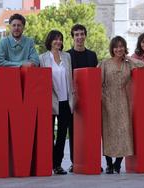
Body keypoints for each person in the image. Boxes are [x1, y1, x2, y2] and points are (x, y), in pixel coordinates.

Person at [98, 36, 144, 174]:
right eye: (116, 47)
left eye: (121, 46)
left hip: (123, 101)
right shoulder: (105, 63)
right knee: (108, 132)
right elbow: (97, 83)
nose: (119, 49)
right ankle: (109, 164)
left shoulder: (129, 63)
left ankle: (118, 163)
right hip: (107, 101)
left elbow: (143, 64)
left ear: (125, 48)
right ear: (112, 49)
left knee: (124, 131)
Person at [39, 30, 74, 175]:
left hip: (65, 100)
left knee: (61, 135)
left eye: (60, 39)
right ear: (50, 41)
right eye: (55, 39)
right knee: (48, 135)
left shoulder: (67, 56)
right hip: (50, 100)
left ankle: (57, 164)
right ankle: (49, 162)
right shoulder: (42, 58)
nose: (58, 42)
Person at [67, 24, 98, 173]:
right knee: (73, 132)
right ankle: (75, 162)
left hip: (90, 99)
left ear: (85, 36)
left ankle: (92, 160)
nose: (79, 37)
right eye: (76, 34)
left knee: (91, 131)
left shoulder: (92, 55)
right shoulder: (67, 55)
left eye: (81, 34)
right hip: (73, 98)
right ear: (72, 37)